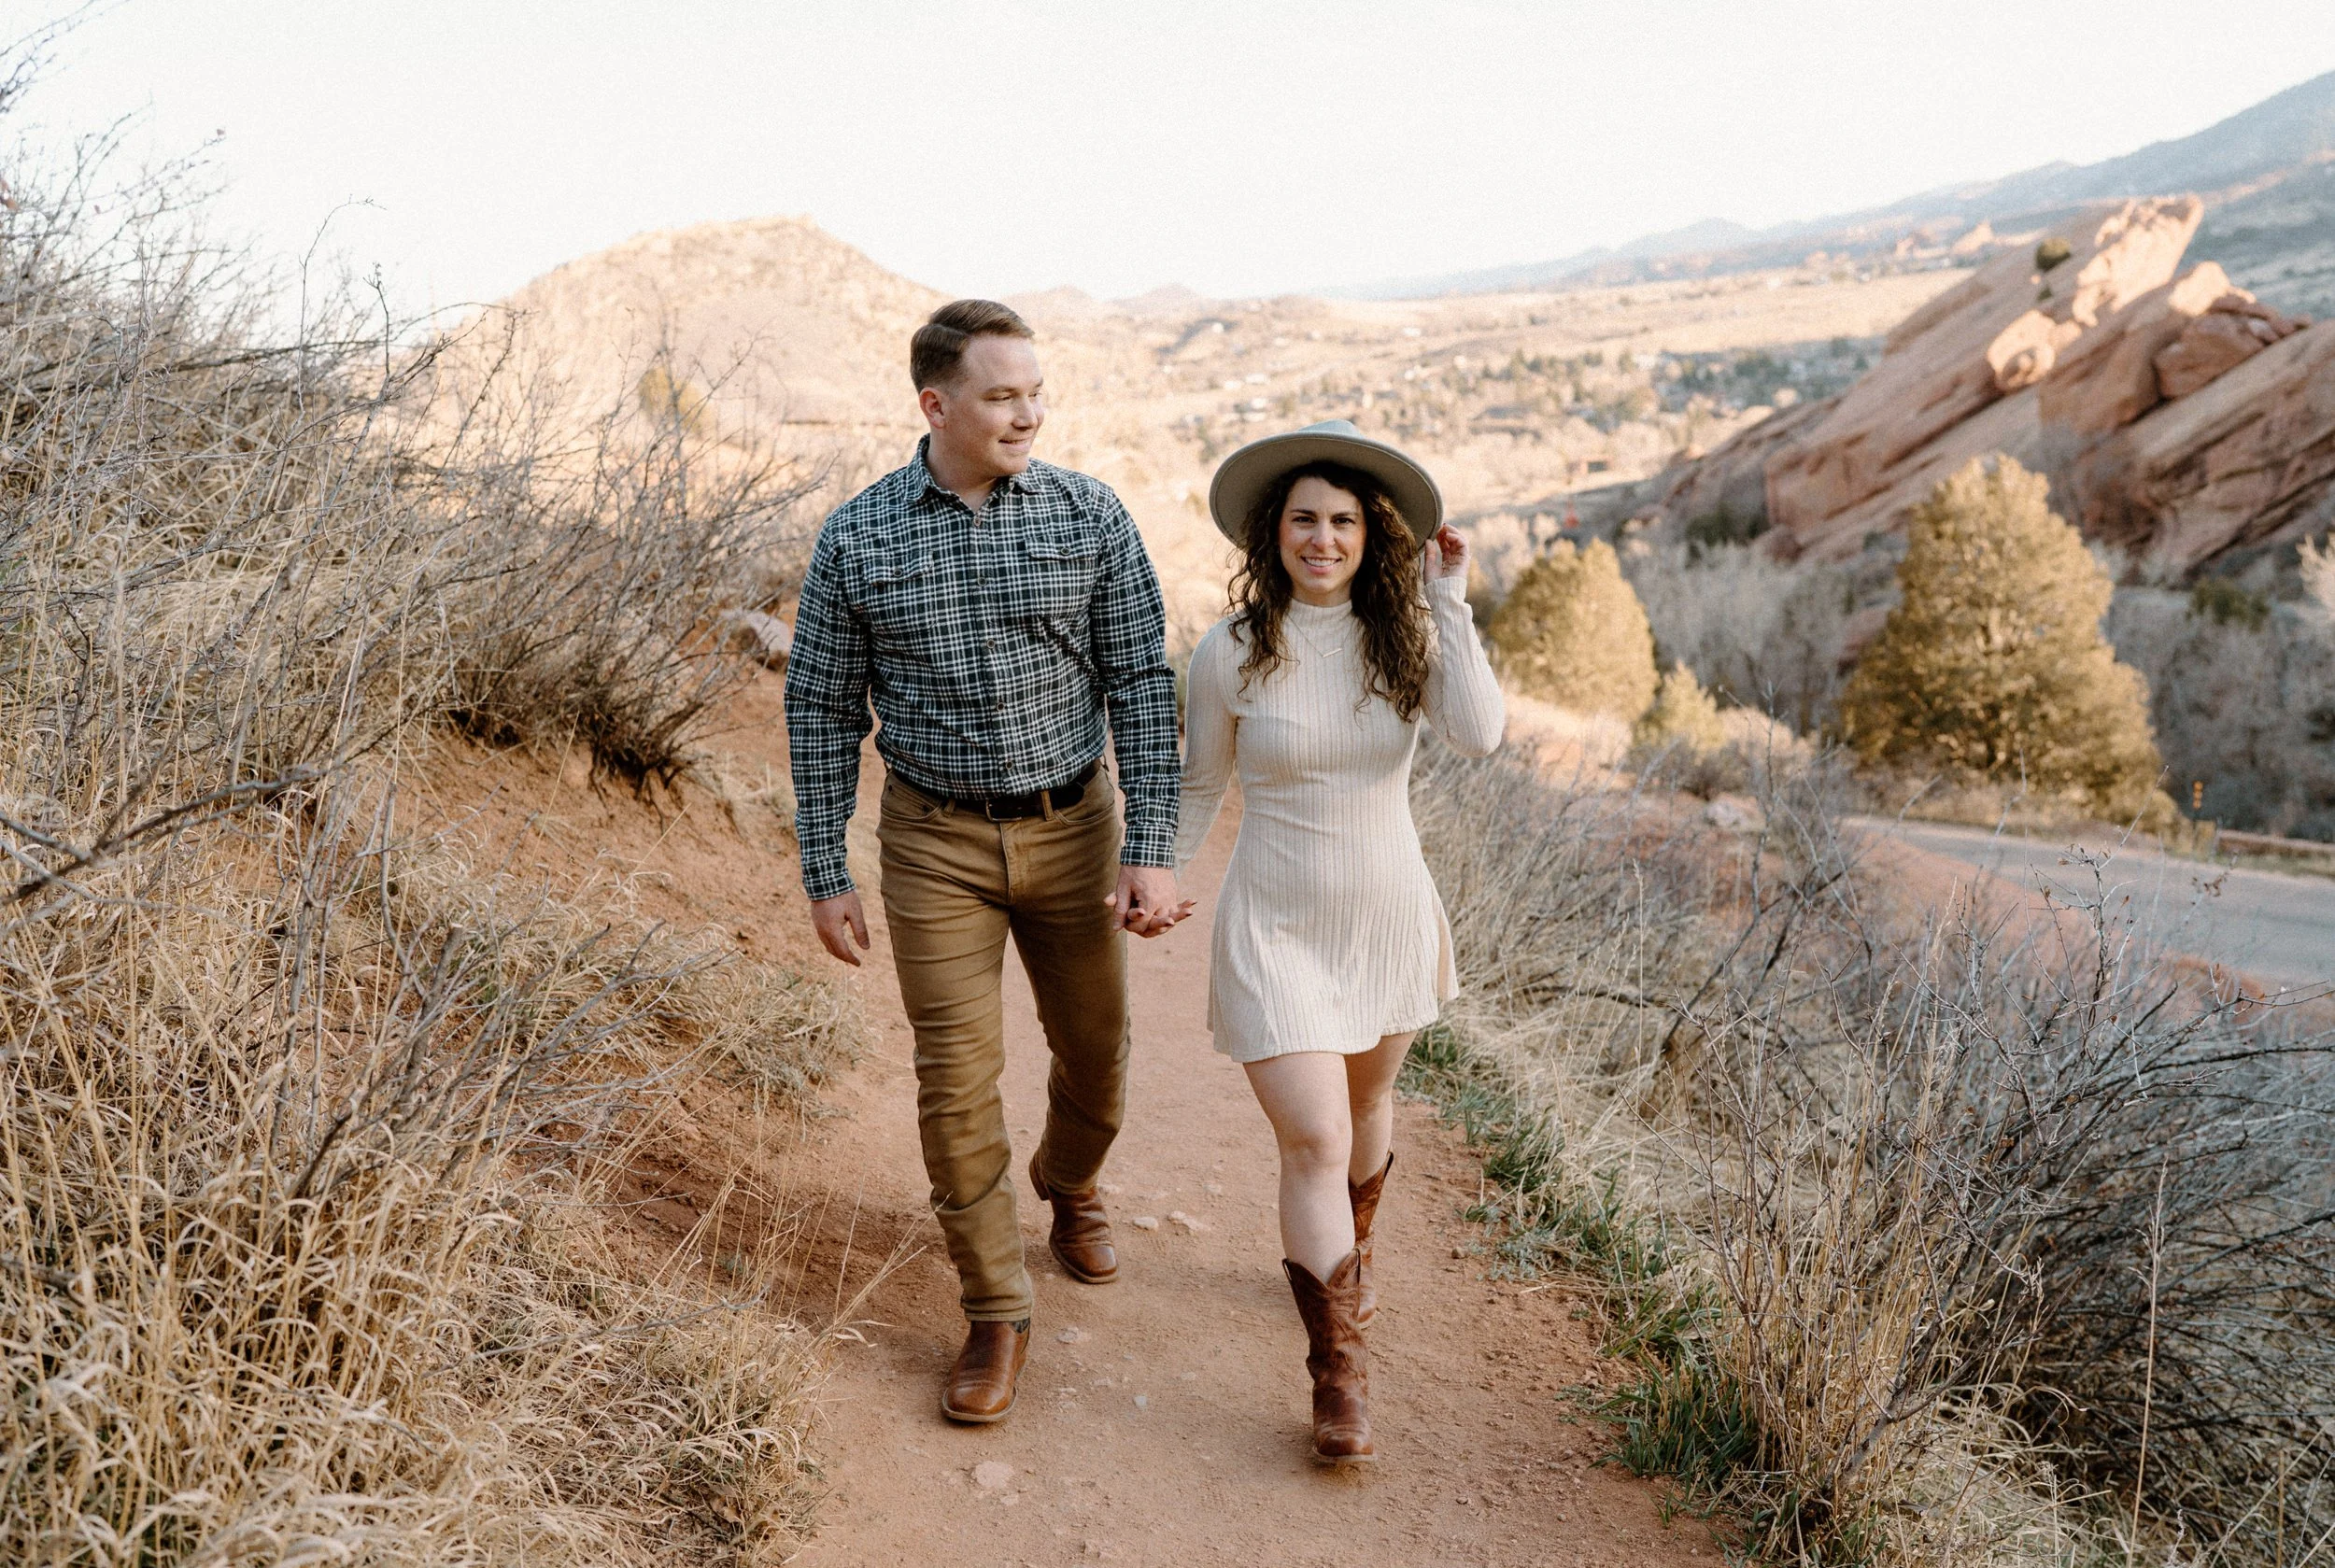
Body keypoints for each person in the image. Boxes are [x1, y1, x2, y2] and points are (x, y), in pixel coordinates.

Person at [785, 299, 1190, 1426]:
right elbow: (821, 709)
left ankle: (1068, 1183)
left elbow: (1141, 690)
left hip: (1074, 829)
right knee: (954, 1077)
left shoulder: (1090, 514)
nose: (1029, 412)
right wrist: (826, 864)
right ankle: (995, 1306)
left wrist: (1150, 850)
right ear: (937, 404)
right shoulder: (857, 536)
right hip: (934, 841)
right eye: (1003, 394)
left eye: (1035, 391)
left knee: (1096, 1054)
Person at [1174, 419, 1504, 1465]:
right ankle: (1338, 1374)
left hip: (1385, 915)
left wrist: (1447, 602)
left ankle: (1346, 1263)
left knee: (1365, 1104)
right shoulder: (1228, 650)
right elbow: (1198, 784)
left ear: (1374, 535)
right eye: (1305, 519)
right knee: (1314, 1136)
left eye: (1345, 521)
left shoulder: (1403, 633)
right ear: (1272, 532)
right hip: (1272, 921)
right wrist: (1154, 871)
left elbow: (1480, 731)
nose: (1323, 538)